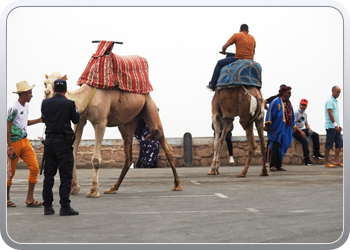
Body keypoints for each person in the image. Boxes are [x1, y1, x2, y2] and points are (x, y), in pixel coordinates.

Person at [41, 79, 80, 215]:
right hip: (63, 143)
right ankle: (64, 206)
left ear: (53, 88)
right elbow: (76, 119)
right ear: (65, 90)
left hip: (50, 142)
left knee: (49, 175)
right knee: (65, 175)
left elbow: (44, 118)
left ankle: (47, 206)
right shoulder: (69, 103)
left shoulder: (45, 103)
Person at [7, 80, 43, 208]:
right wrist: (9, 147)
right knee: (10, 172)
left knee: (35, 168)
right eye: (30, 93)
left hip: (25, 141)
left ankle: (30, 198)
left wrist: (38, 120)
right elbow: (7, 127)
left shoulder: (26, 106)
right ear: (23, 94)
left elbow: (23, 123)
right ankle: (6, 199)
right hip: (14, 143)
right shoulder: (13, 108)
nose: (32, 95)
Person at [207, 24, 256, 91]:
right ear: (248, 31)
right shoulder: (253, 38)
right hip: (250, 60)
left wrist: (224, 51)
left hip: (239, 58)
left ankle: (212, 84)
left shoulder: (237, 35)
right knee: (232, 55)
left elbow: (224, 47)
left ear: (240, 30)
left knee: (219, 63)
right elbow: (253, 52)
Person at [264, 86, 296, 171]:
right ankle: (273, 165)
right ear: (283, 93)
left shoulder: (289, 103)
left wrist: (294, 125)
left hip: (286, 128)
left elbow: (292, 115)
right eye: (288, 92)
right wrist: (267, 124)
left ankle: (279, 164)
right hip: (276, 128)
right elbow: (269, 113)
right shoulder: (275, 102)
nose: (290, 94)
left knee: (283, 145)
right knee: (275, 146)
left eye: (290, 93)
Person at [293, 98, 325, 166]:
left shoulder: (305, 114)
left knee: (315, 135)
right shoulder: (296, 113)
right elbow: (293, 125)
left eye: (304, 105)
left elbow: (306, 124)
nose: (303, 107)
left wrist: (309, 129)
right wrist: (301, 132)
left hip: (302, 129)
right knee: (304, 141)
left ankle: (316, 153)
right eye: (302, 105)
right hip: (295, 130)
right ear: (299, 104)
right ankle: (306, 159)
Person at [264, 84, 286, 166]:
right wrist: (268, 110)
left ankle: (278, 162)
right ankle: (267, 161)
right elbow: (264, 101)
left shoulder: (285, 101)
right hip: (273, 123)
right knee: (271, 143)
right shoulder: (275, 99)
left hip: (281, 124)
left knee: (280, 143)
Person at [324, 86, 343, 168]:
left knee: (339, 143)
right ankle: (326, 162)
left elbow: (335, 114)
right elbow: (330, 113)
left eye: (339, 92)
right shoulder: (330, 101)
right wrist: (335, 124)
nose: (338, 94)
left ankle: (336, 160)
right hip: (331, 126)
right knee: (329, 144)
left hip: (336, 126)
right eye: (337, 92)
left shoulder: (335, 101)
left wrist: (338, 125)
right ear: (333, 91)